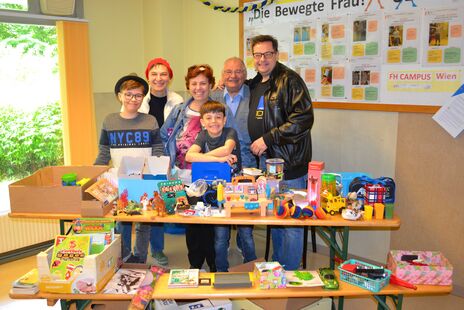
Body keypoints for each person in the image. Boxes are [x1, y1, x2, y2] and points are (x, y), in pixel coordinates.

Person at [248, 35, 314, 270]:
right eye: (258, 54)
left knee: (292, 220)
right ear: (253, 57)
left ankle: (290, 273)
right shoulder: (256, 83)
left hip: (291, 164)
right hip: (268, 166)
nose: (262, 59)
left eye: (268, 54)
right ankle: (277, 270)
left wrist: (268, 138)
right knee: (276, 217)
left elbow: (303, 119)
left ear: (276, 55)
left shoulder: (290, 80)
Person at [160, 64, 236, 271]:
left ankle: (212, 264)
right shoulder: (179, 110)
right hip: (183, 175)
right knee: (192, 224)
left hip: (213, 176)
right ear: (188, 86)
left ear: (211, 85)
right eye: (194, 83)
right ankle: (195, 264)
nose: (198, 88)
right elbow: (163, 137)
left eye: (203, 83)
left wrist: (204, 158)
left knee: (212, 224)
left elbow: (231, 139)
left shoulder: (218, 110)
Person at [94, 74, 164, 262]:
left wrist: (159, 172)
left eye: (138, 95)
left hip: (145, 180)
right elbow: (103, 151)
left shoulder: (150, 121)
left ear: (143, 97)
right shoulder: (109, 120)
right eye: (129, 94)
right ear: (119, 96)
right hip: (119, 180)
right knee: (122, 221)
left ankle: (140, 258)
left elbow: (158, 149)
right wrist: (93, 175)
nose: (133, 99)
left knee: (144, 221)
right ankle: (123, 257)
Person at [131, 58, 183, 266]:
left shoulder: (178, 101)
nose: (159, 78)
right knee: (143, 204)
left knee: (161, 203)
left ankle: (158, 249)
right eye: (154, 74)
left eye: (163, 74)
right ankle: (139, 251)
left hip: (167, 157)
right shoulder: (139, 101)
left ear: (170, 77)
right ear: (148, 77)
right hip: (144, 157)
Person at [211, 57, 257, 272]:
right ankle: (221, 269)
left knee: (245, 223)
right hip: (220, 164)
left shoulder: (255, 95)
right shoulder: (214, 95)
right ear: (222, 75)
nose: (233, 76)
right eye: (228, 71)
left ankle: (251, 266)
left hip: (246, 165)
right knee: (221, 221)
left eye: (238, 71)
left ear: (245, 74)